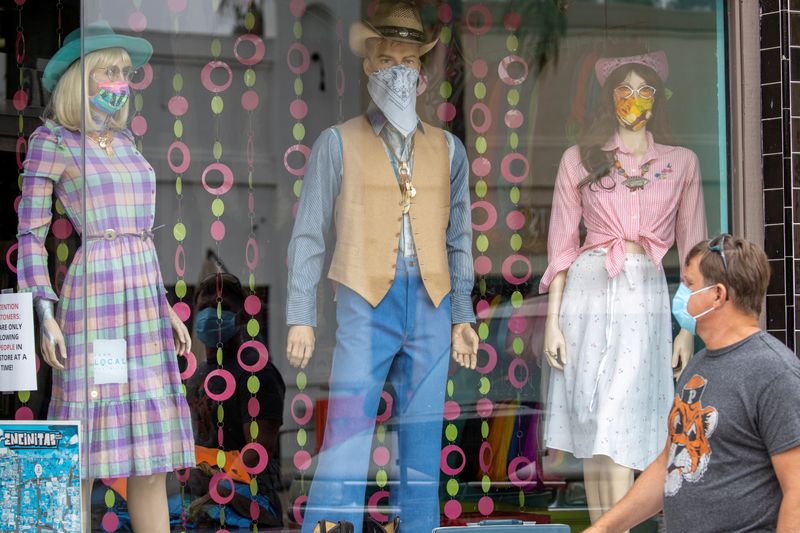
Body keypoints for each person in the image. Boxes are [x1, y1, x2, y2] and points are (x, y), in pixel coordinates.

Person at [284, 1, 478, 532]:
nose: (400, 72)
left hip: (433, 302)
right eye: (389, 60)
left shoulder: (450, 150)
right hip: (366, 300)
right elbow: (309, 233)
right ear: (370, 66)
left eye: (410, 62)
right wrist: (301, 313)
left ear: (422, 73)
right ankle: (330, 527)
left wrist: (463, 315)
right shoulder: (337, 143)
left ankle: (418, 527)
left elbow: (459, 237)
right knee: (348, 428)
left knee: (421, 441)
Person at [16, 22, 194, 532]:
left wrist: (164, 309)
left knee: (152, 460)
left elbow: (142, 235)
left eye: (124, 71)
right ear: (82, 78)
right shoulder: (55, 141)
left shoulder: (127, 140)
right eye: (108, 70)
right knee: (84, 451)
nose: (120, 79)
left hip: (141, 295)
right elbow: (31, 234)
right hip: (95, 298)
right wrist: (44, 310)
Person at [539, 50, 707, 523]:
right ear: (609, 99)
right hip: (587, 295)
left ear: (658, 98)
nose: (634, 100)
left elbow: (694, 254)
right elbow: (561, 248)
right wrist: (553, 323)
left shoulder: (681, 163)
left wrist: (686, 327)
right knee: (594, 426)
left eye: (644, 91)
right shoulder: (580, 159)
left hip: (643, 299)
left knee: (619, 424)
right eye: (624, 91)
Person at [585, 235, 800, 532]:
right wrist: (603, 528)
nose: (681, 294)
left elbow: (797, 491)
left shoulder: (776, 373)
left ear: (718, 294)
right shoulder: (698, 366)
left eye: (690, 285)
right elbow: (667, 466)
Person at [186, 272, 286, 528]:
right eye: (204, 308)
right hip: (205, 503)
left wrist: (212, 492)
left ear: (240, 317)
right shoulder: (197, 376)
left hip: (249, 506)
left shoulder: (256, 374)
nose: (210, 314)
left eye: (220, 307)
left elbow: (256, 454)